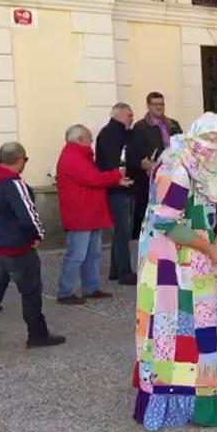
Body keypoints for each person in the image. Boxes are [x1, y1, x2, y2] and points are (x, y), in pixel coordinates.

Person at [133, 113, 217, 431]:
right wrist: (209, 249)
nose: (215, 149)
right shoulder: (175, 167)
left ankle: (214, 385)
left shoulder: (210, 159)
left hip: (200, 255)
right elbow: (167, 223)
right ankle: (186, 398)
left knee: (209, 325)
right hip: (172, 262)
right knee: (177, 328)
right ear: (196, 138)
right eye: (210, 142)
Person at [0, 142, 66, 355]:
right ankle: (37, 334)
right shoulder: (13, 184)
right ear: (20, 159)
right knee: (31, 292)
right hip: (16, 249)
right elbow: (28, 217)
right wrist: (37, 236)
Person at [56, 125, 133, 304]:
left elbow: (93, 178)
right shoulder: (73, 156)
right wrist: (116, 175)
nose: (92, 142)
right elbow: (92, 178)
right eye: (90, 138)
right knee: (76, 255)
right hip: (80, 213)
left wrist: (116, 180)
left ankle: (90, 288)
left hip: (89, 211)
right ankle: (65, 291)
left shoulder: (78, 155)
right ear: (81, 139)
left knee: (92, 254)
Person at [128, 92, 182, 240]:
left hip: (173, 176)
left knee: (172, 212)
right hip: (149, 180)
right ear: (148, 106)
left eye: (162, 104)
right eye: (156, 104)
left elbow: (182, 146)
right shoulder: (140, 127)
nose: (159, 107)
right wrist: (146, 164)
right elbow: (133, 155)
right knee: (148, 214)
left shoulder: (173, 125)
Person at [96, 103, 137, 285]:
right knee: (123, 230)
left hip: (118, 186)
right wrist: (119, 178)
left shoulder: (112, 133)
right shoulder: (114, 134)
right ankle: (124, 271)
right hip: (119, 188)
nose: (132, 119)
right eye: (129, 115)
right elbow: (118, 161)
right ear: (119, 115)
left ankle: (116, 269)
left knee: (121, 230)